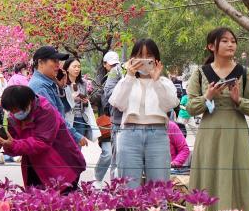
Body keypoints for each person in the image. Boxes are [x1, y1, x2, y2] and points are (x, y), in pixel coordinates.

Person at [186, 27, 249, 211]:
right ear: (211, 46)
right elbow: (191, 108)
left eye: (233, 41)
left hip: (237, 131)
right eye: (225, 41)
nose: (230, 44)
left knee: (238, 176)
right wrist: (208, 96)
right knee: (209, 175)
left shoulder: (244, 73)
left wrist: (238, 100)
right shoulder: (201, 73)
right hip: (210, 132)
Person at [106, 39, 179, 187]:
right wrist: (130, 76)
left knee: (159, 188)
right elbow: (118, 103)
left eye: (149, 56)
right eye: (140, 55)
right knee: (129, 187)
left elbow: (170, 104)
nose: (144, 60)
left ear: (156, 59)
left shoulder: (164, 82)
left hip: (157, 134)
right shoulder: (126, 81)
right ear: (132, 58)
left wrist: (156, 79)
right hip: (129, 134)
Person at [0, 85, 86, 190]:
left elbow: (41, 142)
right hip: (34, 167)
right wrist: (6, 144)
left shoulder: (46, 110)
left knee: (62, 202)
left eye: (16, 110)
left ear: (29, 102)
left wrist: (13, 144)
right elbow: (15, 146)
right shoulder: (13, 117)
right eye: (11, 110)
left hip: (61, 166)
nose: (13, 113)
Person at [28, 46, 87, 146]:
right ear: (41, 62)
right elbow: (55, 117)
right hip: (48, 142)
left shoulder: (48, 83)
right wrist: (75, 135)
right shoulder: (40, 86)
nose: (58, 65)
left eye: (58, 61)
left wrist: (61, 87)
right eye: (54, 61)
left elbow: (63, 109)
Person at [99, 51, 124, 178]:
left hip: (119, 120)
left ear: (105, 64)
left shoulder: (114, 72)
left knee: (117, 157)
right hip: (125, 120)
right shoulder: (123, 69)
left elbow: (108, 93)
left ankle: (115, 189)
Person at [63, 56, 96, 142]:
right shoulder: (62, 84)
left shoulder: (83, 83)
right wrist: (72, 98)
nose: (77, 69)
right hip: (67, 119)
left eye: (79, 66)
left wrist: (85, 102)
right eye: (74, 66)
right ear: (67, 68)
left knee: (78, 148)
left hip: (80, 118)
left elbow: (85, 103)